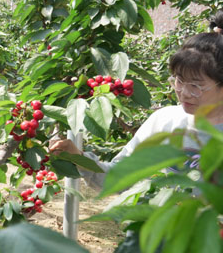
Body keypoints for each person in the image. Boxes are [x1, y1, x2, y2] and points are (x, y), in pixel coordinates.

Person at [49, 32, 223, 189]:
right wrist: (79, 157)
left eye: (196, 86)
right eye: (179, 81)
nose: (184, 93)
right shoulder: (164, 121)